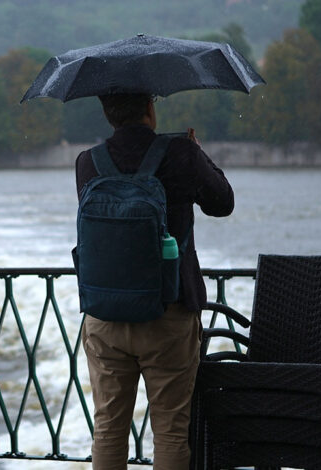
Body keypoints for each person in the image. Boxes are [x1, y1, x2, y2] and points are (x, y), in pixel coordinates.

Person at [76, 93, 234, 469]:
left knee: (109, 429)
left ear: (106, 113)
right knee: (171, 431)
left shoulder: (87, 162)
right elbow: (222, 202)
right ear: (150, 108)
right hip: (170, 311)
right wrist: (198, 152)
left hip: (106, 317)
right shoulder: (181, 153)